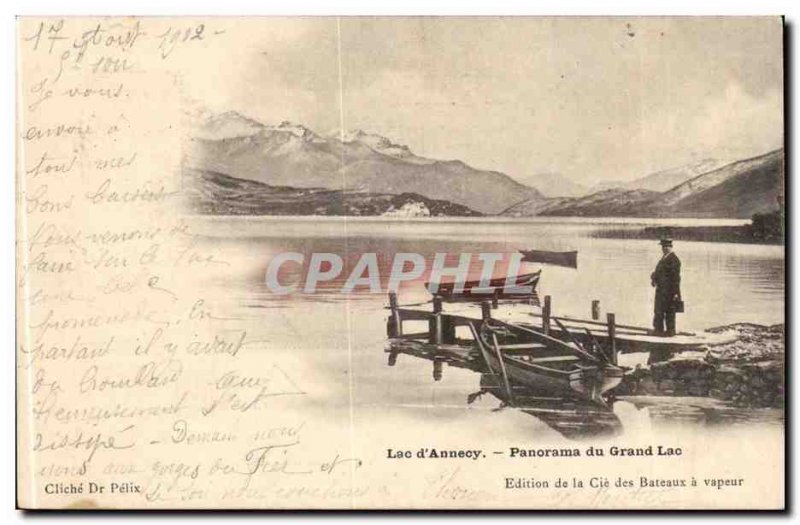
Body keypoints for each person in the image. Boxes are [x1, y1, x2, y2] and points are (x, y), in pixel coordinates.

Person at [650, 238, 681, 337]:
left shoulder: (674, 260)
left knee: (669, 312)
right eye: (663, 247)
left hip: (669, 291)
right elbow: (658, 272)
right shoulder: (664, 258)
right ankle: (658, 330)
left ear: (670, 247)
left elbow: (676, 278)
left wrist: (676, 293)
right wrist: (654, 278)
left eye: (665, 247)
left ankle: (670, 332)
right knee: (658, 310)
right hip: (661, 290)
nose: (663, 249)